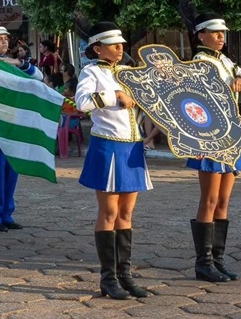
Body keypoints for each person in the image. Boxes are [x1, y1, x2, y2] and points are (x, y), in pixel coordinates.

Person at [74, 22, 152, 300]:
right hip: (107, 146)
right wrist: (113, 95)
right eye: (114, 44)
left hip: (132, 147)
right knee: (108, 213)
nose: (121, 48)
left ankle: (125, 275)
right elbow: (81, 102)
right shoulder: (91, 71)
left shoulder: (129, 72)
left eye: (121, 44)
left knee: (127, 214)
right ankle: (108, 279)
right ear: (98, 48)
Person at [187, 13, 241, 282]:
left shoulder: (227, 61)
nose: (221, 37)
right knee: (209, 200)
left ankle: (217, 260)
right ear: (201, 35)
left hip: (231, 138)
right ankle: (203, 263)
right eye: (215, 32)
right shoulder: (199, 63)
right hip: (210, 139)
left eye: (223, 33)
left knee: (223, 201)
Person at [0, 24, 43, 232]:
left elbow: (38, 76)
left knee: (12, 168)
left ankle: (7, 212)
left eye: (6, 38)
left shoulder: (14, 62)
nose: (5, 42)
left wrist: (17, 62)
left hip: (14, 120)